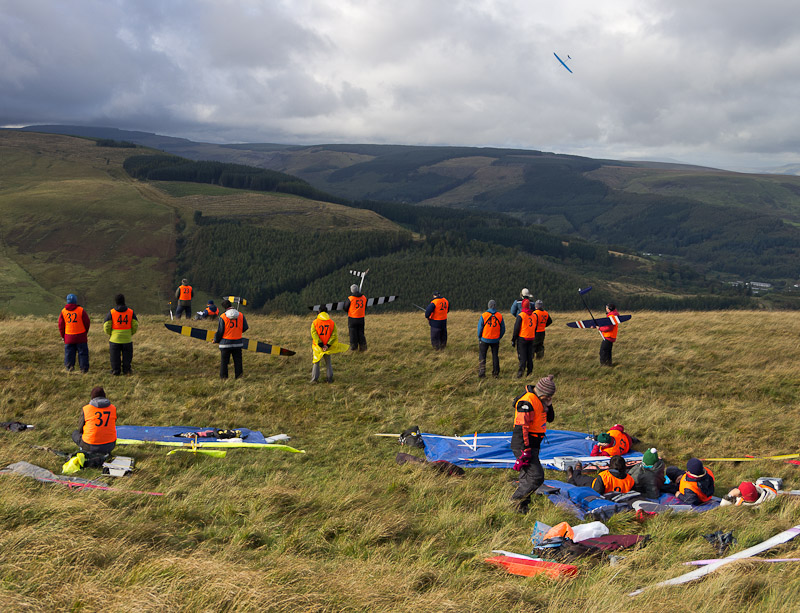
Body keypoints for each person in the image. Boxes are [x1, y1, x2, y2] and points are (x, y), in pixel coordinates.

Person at [510, 375, 556, 514]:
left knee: (526, 475)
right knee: (536, 476)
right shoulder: (527, 402)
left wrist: (548, 404)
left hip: (533, 445)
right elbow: (522, 427)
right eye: (547, 397)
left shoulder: (539, 400)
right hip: (524, 444)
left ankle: (521, 508)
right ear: (542, 393)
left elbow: (551, 418)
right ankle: (515, 500)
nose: (548, 400)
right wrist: (526, 449)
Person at [71, 386, 117, 456]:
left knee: (75, 433)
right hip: (110, 445)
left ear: (92, 397)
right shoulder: (113, 408)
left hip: (90, 445)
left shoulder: (86, 409)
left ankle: (85, 452)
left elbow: (80, 429)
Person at [103, 294, 138, 376]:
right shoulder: (130, 312)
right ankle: (127, 370)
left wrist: (110, 333)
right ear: (124, 301)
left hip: (114, 339)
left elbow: (106, 325)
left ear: (116, 302)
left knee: (114, 357)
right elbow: (135, 324)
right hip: (127, 339)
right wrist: (130, 333)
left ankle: (116, 370)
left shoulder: (111, 312)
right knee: (127, 357)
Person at [311, 306, 348, 383]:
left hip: (318, 346)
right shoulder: (332, 323)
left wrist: (320, 344)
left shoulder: (315, 322)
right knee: (328, 363)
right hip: (328, 347)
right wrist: (327, 345)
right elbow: (334, 335)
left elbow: (314, 334)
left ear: (319, 312)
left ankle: (314, 379)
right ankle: (329, 379)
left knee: (316, 362)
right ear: (327, 312)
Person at [213, 299, 248, 379]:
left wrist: (216, 340)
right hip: (238, 343)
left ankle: (224, 379)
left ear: (224, 307)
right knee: (238, 362)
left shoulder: (223, 316)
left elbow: (220, 331)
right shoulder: (241, 315)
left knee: (224, 363)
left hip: (225, 343)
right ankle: (239, 378)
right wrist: (238, 331)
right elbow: (245, 327)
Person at [58, 293, 91, 373]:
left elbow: (61, 325)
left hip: (69, 336)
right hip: (81, 336)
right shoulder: (81, 310)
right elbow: (87, 322)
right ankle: (84, 369)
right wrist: (85, 332)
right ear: (75, 301)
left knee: (69, 354)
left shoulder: (63, 311)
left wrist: (63, 336)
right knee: (82, 354)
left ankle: (69, 368)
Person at [478, 300, 505, 378]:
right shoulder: (499, 316)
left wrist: (480, 337)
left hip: (484, 339)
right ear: (495, 306)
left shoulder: (484, 315)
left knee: (482, 356)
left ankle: (482, 373)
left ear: (488, 306)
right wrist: (499, 337)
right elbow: (503, 329)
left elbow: (480, 328)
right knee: (495, 356)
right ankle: (496, 373)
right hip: (495, 340)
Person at [511, 299, 536, 378]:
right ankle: (529, 373)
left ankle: (520, 373)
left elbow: (516, 329)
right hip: (531, 338)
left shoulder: (521, 315)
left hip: (522, 338)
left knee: (522, 356)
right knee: (529, 357)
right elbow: (535, 327)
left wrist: (513, 339)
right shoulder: (534, 315)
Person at [343, 284, 367, 352]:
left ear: (352, 291)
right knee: (361, 333)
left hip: (352, 318)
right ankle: (363, 348)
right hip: (361, 318)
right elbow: (365, 306)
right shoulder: (364, 297)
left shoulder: (351, 298)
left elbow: (345, 307)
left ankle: (354, 348)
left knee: (353, 333)